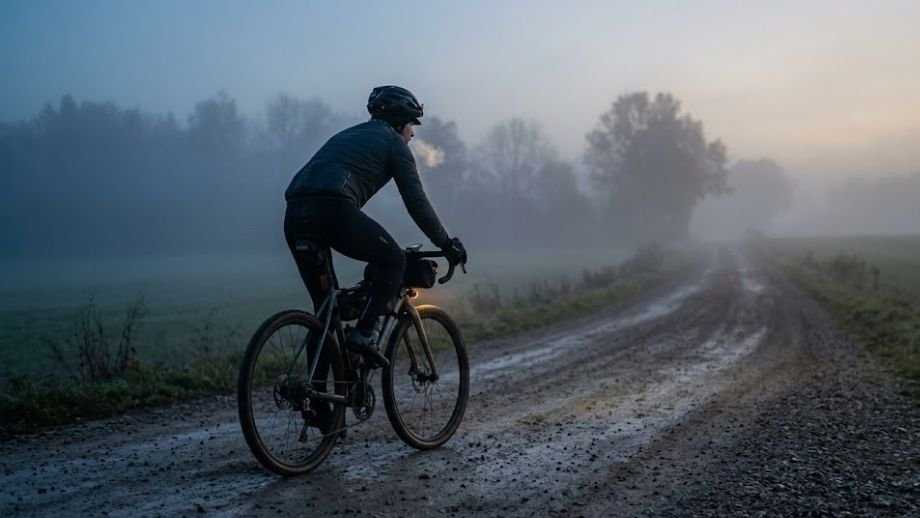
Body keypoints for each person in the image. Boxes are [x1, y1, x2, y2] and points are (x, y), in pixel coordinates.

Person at [283, 85, 467, 368]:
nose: (413, 134)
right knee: (394, 260)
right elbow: (417, 203)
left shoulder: (349, 135)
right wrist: (446, 243)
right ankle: (364, 335)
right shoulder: (394, 143)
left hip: (295, 213)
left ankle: (317, 406)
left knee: (324, 314)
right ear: (398, 122)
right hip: (332, 209)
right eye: (411, 125)